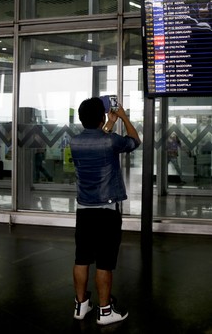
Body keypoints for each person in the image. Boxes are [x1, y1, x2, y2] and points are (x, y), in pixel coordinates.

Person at [70, 97, 141, 326]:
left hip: (84, 209)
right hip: (107, 210)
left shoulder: (75, 142)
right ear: (101, 117)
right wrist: (122, 116)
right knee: (104, 262)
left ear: (81, 119)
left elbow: (99, 139)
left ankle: (80, 306)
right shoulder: (111, 141)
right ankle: (105, 311)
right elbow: (134, 140)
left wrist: (107, 123)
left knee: (81, 258)